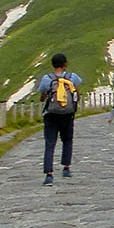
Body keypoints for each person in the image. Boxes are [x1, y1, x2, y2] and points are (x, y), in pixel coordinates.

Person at [38, 52, 83, 186]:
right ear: (65, 64)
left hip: (51, 115)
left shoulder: (47, 79)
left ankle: (49, 174)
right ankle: (66, 168)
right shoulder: (72, 77)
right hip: (67, 115)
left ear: (52, 64)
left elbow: (42, 96)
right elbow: (77, 94)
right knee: (67, 140)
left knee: (50, 143)